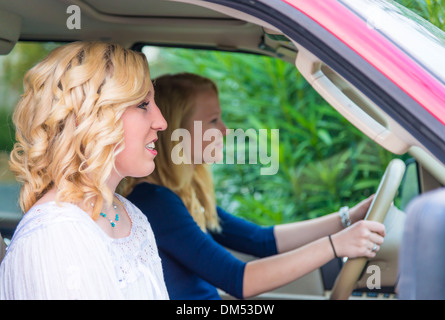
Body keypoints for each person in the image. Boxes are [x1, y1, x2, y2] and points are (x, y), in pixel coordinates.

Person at [122, 72, 385, 300]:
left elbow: (260, 240)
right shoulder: (155, 202)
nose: (224, 131)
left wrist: (348, 218)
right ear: (178, 129)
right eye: (213, 121)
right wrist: (335, 245)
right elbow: (238, 279)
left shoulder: (184, 194)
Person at [0, 42, 169, 299]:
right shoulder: (55, 235)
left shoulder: (130, 215)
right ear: (88, 117)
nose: (161, 122)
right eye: (143, 105)